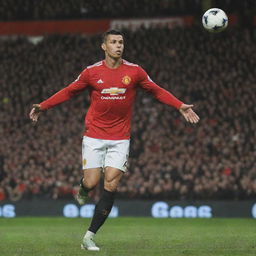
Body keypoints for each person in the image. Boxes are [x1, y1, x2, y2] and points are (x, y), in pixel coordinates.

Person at [29, 29, 199, 251]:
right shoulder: (91, 72)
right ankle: (83, 189)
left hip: (120, 138)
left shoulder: (135, 71)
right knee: (91, 182)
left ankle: (89, 236)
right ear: (104, 46)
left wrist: (179, 105)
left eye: (121, 42)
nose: (118, 45)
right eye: (113, 42)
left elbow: (156, 91)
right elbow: (69, 91)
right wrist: (43, 106)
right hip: (94, 136)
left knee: (111, 183)